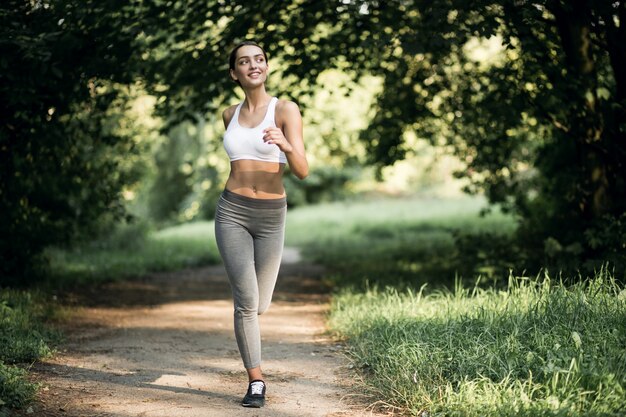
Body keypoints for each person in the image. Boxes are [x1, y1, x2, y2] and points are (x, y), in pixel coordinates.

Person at [214, 40, 308, 408]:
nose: (253, 65)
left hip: (271, 215)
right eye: (244, 61)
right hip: (232, 211)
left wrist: (286, 144)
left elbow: (301, 171)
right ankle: (256, 381)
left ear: (266, 67)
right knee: (246, 302)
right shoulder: (228, 114)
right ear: (234, 72)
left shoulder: (285, 109)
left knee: (260, 304)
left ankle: (249, 330)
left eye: (259, 59)